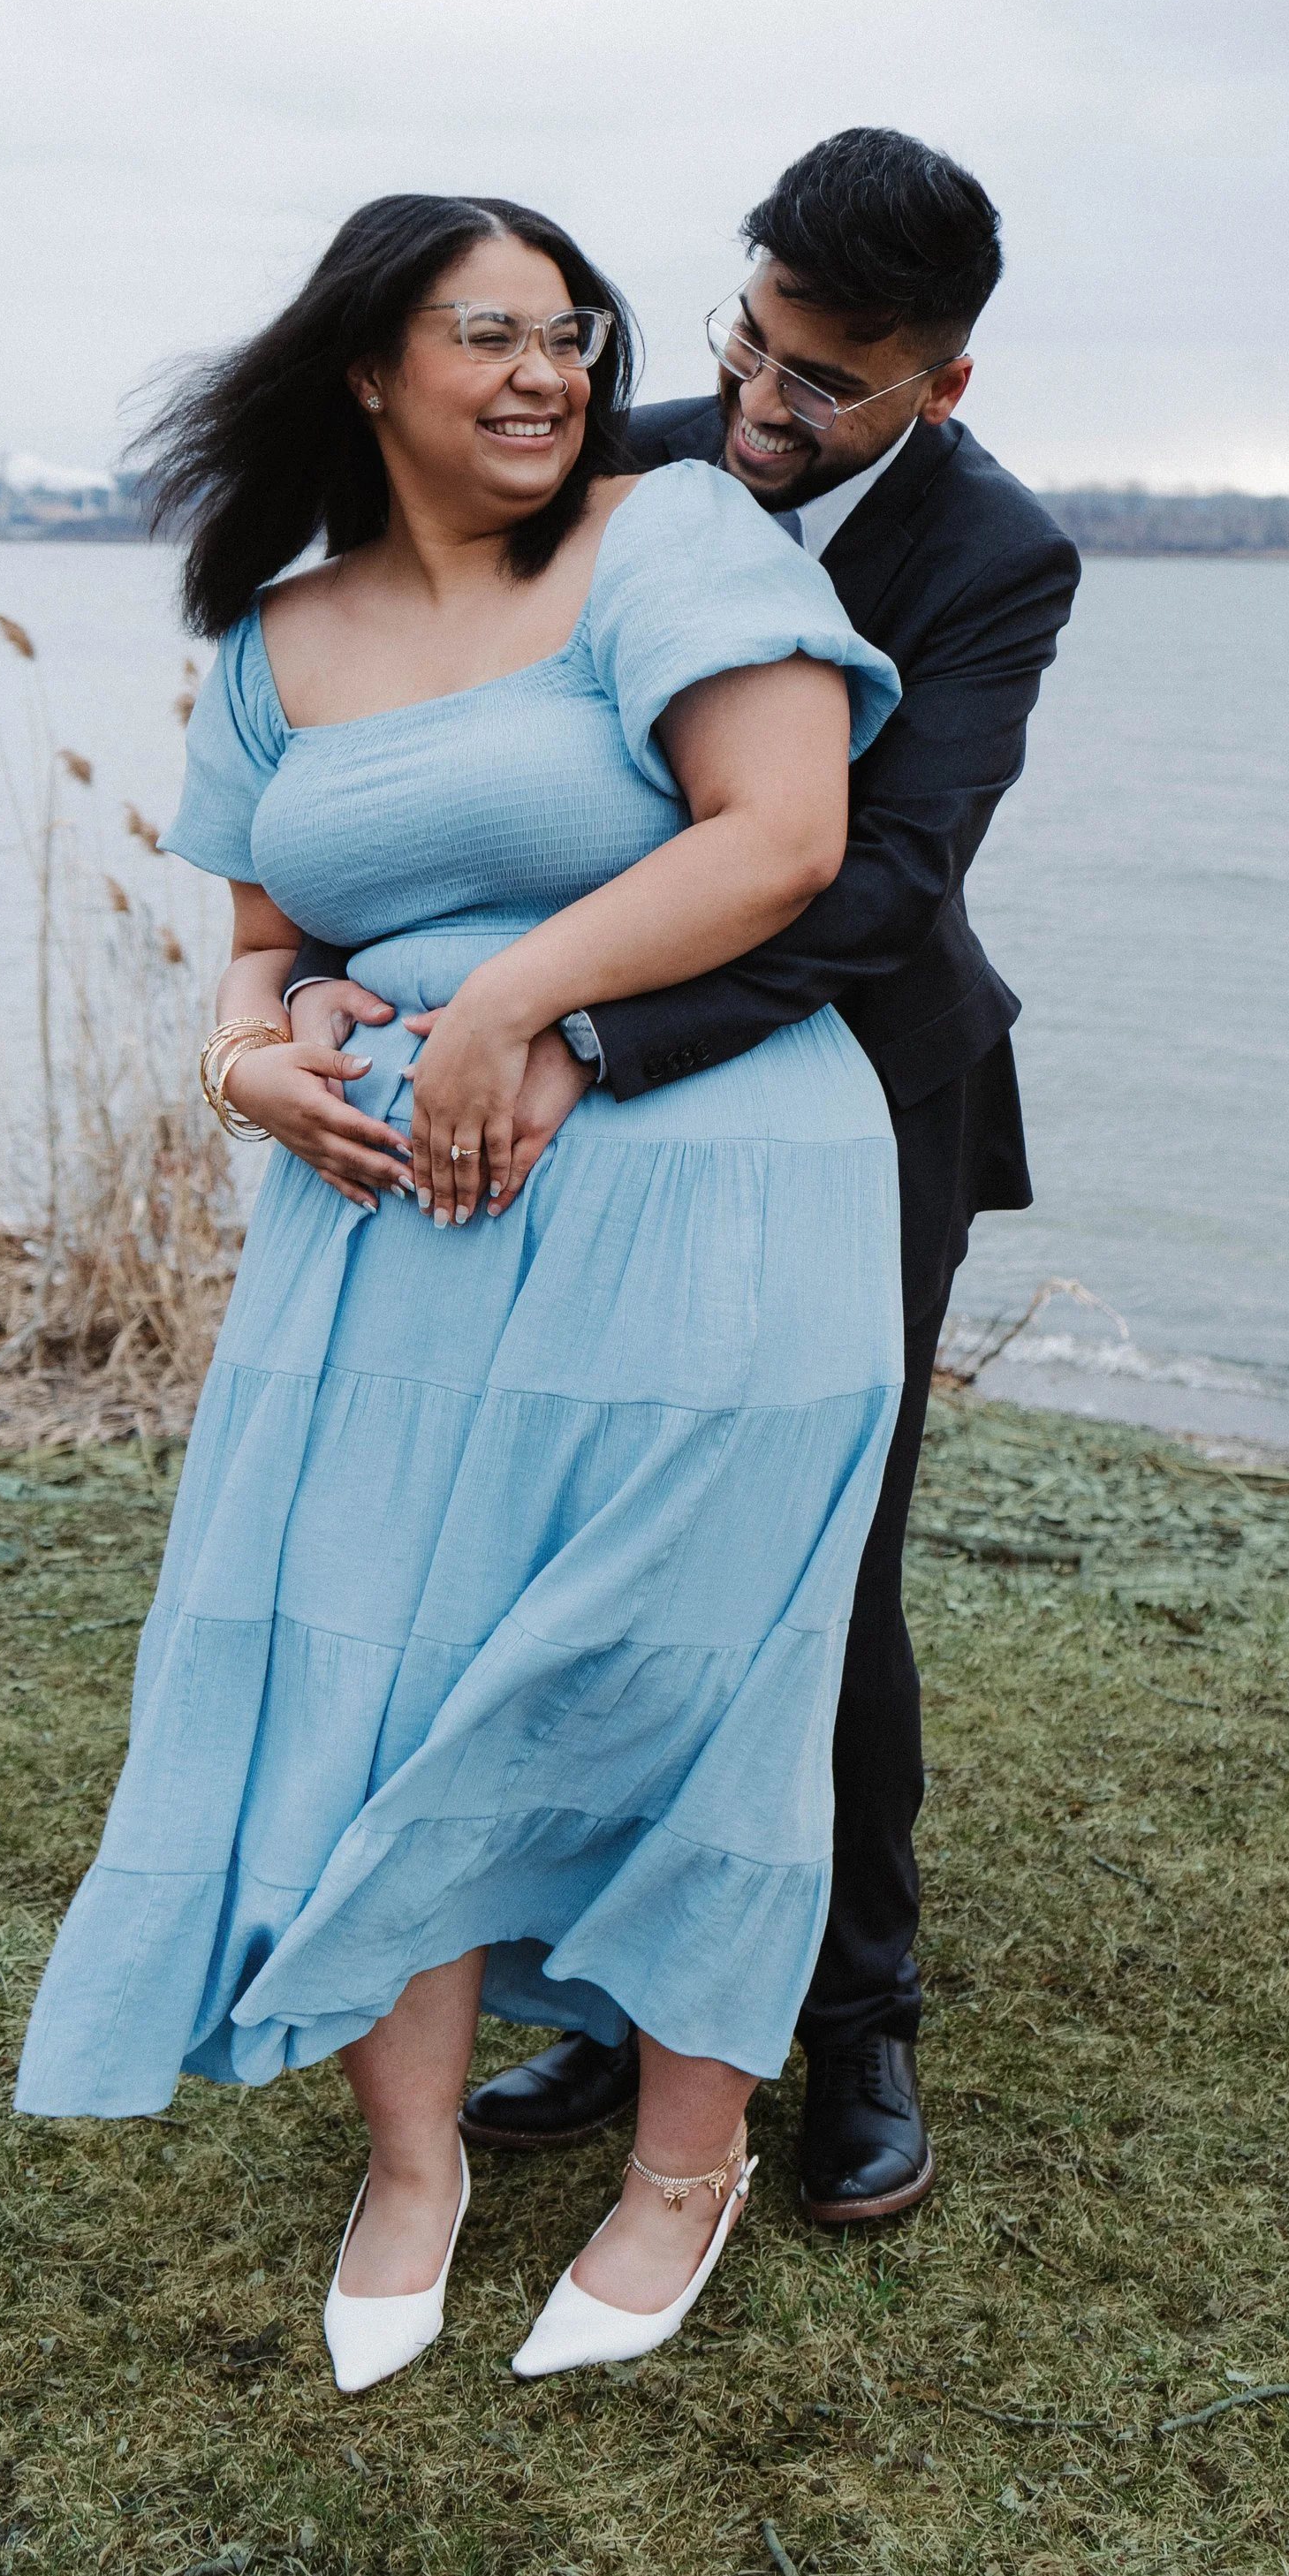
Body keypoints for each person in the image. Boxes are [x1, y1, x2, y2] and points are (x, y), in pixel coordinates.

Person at [13, 192, 907, 2391]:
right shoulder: (273, 636)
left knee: (687, 1673)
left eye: (570, 331)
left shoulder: (676, 537)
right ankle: (408, 2160)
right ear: (365, 367)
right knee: (371, 1666)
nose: (546, 370)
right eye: (486, 332)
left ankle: (675, 2169)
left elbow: (779, 831)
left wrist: (507, 1000)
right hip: (376, 1235)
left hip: (706, 1208)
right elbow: (256, 945)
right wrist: (253, 1064)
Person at [275, 129, 1080, 2228]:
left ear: (939, 388)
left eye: (824, 382)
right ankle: (619, 1991)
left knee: (814, 1561)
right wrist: (311, 990)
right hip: (563, 1078)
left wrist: (587, 1032)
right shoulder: (623, 456)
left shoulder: (996, 559)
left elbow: (881, 882)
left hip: (855, 1091)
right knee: (575, 1527)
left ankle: (860, 2016)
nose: (757, 406)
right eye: (748, 339)